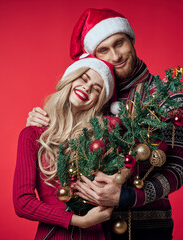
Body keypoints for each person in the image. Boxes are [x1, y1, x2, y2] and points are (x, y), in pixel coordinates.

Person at [27, 8, 183, 240]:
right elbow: (61, 152)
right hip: (93, 231)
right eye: (104, 50)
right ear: (94, 57)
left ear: (131, 40)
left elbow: (177, 169)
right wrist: (42, 125)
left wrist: (126, 196)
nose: (115, 56)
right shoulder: (91, 100)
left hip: (148, 229)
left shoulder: (169, 97)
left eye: (119, 43)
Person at [13, 55, 117, 240]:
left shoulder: (101, 137)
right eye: (83, 79)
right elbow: (22, 203)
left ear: (99, 101)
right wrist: (79, 221)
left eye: (96, 89)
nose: (86, 88)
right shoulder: (32, 135)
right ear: (69, 78)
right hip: (54, 235)